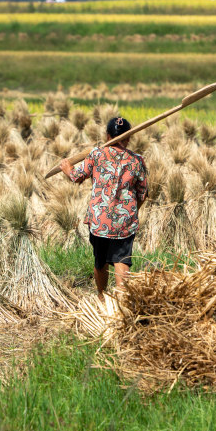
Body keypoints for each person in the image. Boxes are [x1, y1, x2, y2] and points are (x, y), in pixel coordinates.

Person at [59, 117, 147, 298]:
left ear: (108, 135)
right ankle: (122, 303)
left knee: (100, 261)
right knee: (122, 260)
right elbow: (143, 193)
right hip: (125, 221)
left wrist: (67, 168)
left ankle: (101, 297)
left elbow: (77, 176)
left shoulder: (96, 155)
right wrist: (130, 213)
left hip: (100, 221)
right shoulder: (137, 160)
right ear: (129, 138)